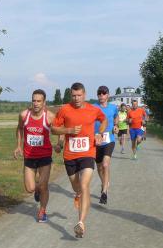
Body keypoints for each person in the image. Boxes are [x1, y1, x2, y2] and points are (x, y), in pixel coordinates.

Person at [51, 82, 106, 238]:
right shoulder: (64, 110)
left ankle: (81, 222)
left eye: (79, 95)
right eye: (74, 95)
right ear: (71, 95)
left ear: (84, 94)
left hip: (88, 153)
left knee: (84, 184)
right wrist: (68, 130)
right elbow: (53, 129)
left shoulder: (93, 109)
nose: (76, 98)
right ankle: (78, 195)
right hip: (70, 155)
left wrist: (99, 133)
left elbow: (103, 120)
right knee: (77, 188)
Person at [13, 89, 62, 222]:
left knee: (43, 185)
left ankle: (42, 211)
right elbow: (19, 128)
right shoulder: (24, 115)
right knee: (30, 188)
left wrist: (60, 144)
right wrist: (18, 146)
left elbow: (60, 130)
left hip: (45, 156)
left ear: (44, 102)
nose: (35, 103)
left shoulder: (50, 116)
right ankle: (37, 190)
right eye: (34, 100)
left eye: (39, 101)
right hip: (29, 156)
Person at [93, 86, 120, 204]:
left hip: (109, 139)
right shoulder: (93, 107)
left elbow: (116, 116)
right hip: (96, 140)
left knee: (105, 164)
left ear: (108, 95)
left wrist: (116, 125)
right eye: (99, 93)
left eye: (103, 93)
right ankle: (104, 182)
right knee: (99, 167)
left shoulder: (113, 107)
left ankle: (104, 192)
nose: (101, 95)